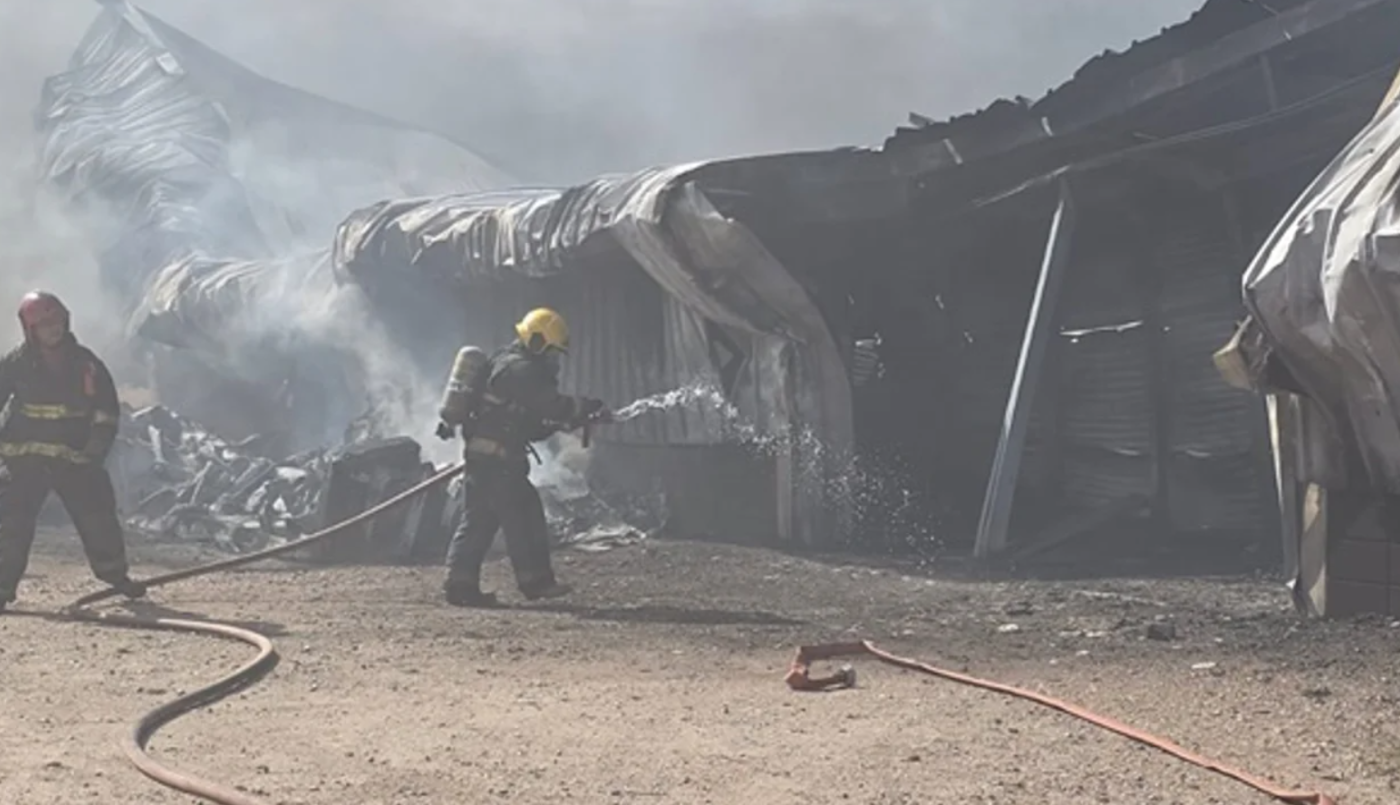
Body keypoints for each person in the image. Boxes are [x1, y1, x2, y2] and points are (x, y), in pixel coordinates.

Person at [435, 307, 610, 607]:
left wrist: (565, 421)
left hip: (485, 459)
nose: (554, 361)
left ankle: (460, 585)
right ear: (538, 341)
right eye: (552, 353)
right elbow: (550, 405)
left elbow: (531, 422)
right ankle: (536, 582)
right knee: (525, 513)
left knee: (478, 521)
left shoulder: (507, 363)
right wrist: (584, 407)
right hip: (498, 462)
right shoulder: (522, 370)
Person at [0, 291, 147, 612]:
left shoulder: (87, 364)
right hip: (26, 461)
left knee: (98, 518)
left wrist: (96, 448)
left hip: (76, 459)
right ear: (30, 329)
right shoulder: (15, 364)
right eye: (45, 324)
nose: (54, 329)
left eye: (58, 321)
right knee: (10, 524)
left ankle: (116, 577)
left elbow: (107, 411)